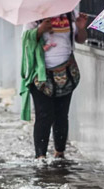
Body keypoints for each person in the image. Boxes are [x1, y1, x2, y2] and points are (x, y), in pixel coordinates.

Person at [20, 11, 88, 160]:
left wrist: (81, 27)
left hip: (67, 72)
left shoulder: (69, 14)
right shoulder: (35, 15)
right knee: (44, 115)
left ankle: (60, 153)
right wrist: (40, 30)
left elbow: (80, 39)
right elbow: (26, 39)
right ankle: (40, 157)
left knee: (61, 115)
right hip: (41, 75)